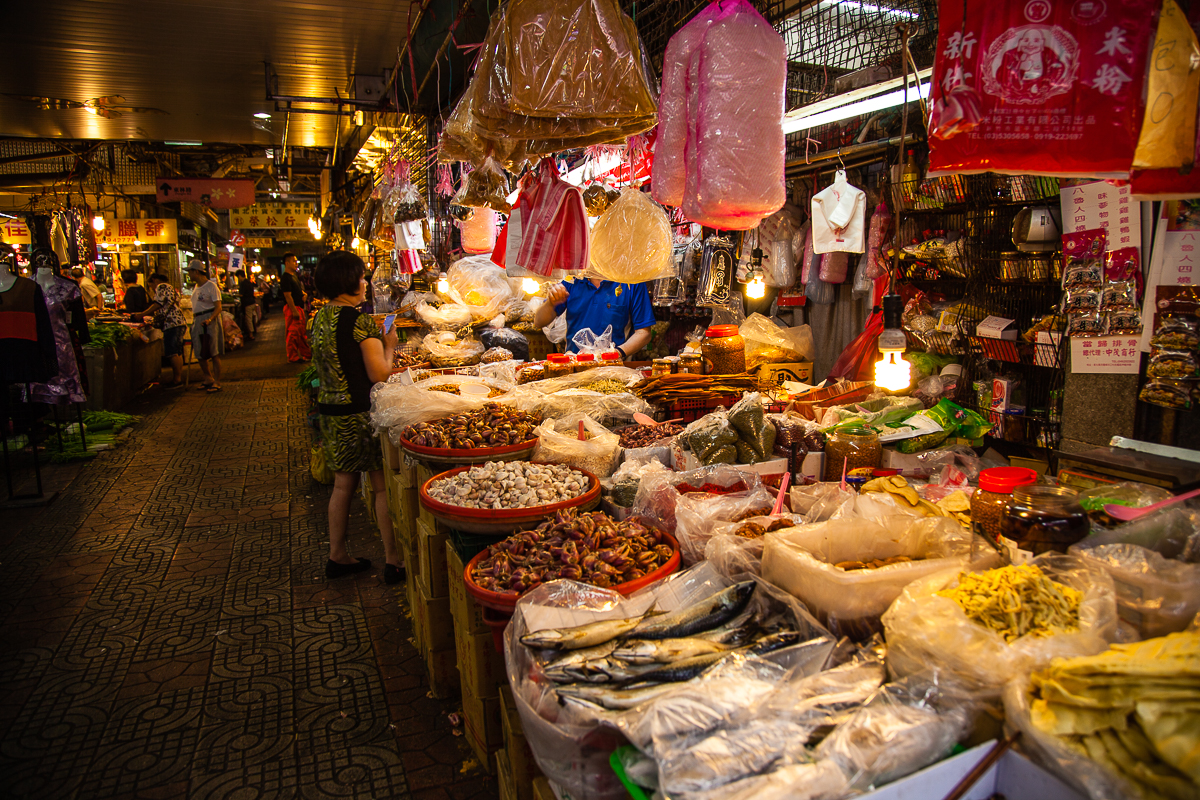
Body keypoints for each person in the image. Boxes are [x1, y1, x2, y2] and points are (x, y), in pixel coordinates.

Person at [309, 250, 404, 584]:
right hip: (359, 414)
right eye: (362, 277)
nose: (365, 283)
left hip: (331, 412)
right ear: (348, 281)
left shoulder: (319, 319)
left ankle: (337, 555)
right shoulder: (358, 321)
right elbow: (379, 373)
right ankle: (393, 561)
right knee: (380, 487)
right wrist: (389, 343)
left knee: (342, 484)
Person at [533, 277, 655, 358]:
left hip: (614, 369)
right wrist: (550, 303)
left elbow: (644, 333)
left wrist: (616, 353)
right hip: (575, 367)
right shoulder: (571, 280)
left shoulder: (631, 282)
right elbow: (539, 322)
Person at [136, 273, 187, 388]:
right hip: (178, 322)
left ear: (154, 280)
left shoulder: (161, 287)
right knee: (177, 352)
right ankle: (177, 378)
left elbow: (158, 304)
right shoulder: (170, 287)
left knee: (172, 352)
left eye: (150, 286)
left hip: (172, 323)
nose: (152, 289)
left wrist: (142, 314)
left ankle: (177, 380)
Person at [186, 259, 224, 393]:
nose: (189, 275)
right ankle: (208, 378)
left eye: (190, 272)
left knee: (213, 352)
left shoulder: (211, 287)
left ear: (196, 271)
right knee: (199, 352)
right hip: (197, 320)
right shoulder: (196, 287)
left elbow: (218, 307)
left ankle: (217, 381)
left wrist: (210, 319)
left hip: (209, 320)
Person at [281, 252, 311, 362]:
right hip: (292, 309)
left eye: (296, 261)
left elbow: (297, 290)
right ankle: (292, 357)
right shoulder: (285, 278)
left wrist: (304, 294)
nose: (296, 264)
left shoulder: (293, 277)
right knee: (292, 334)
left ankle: (306, 354)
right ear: (287, 263)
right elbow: (288, 296)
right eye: (293, 261)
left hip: (298, 307)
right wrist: (294, 310)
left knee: (301, 333)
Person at [237, 270, 257, 341]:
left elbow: (241, 294)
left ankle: (251, 335)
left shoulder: (243, 283)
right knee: (251, 318)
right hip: (252, 302)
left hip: (247, 303)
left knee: (248, 319)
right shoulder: (249, 282)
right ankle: (253, 331)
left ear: (239, 276)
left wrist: (235, 295)